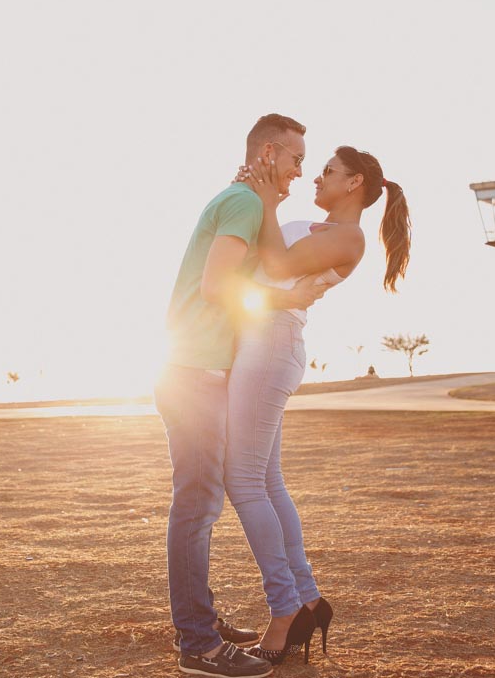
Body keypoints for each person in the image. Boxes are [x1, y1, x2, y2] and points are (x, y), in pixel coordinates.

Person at [224, 146, 411, 665]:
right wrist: (254, 194)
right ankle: (307, 599)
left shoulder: (347, 237)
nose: (317, 177)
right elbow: (258, 274)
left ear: (354, 184)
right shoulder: (314, 224)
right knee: (265, 481)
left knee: (241, 480)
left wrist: (263, 201)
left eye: (328, 171)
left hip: (271, 346)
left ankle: (284, 610)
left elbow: (277, 263)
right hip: (262, 339)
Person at [155, 113, 326, 678]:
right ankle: (197, 644)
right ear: (271, 152)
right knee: (198, 507)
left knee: (203, 504)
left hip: (201, 367)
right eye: (297, 159)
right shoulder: (245, 204)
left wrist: (266, 196)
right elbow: (216, 285)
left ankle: (199, 620)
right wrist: (288, 299)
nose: (301, 171)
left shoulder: (249, 201)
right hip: (194, 369)